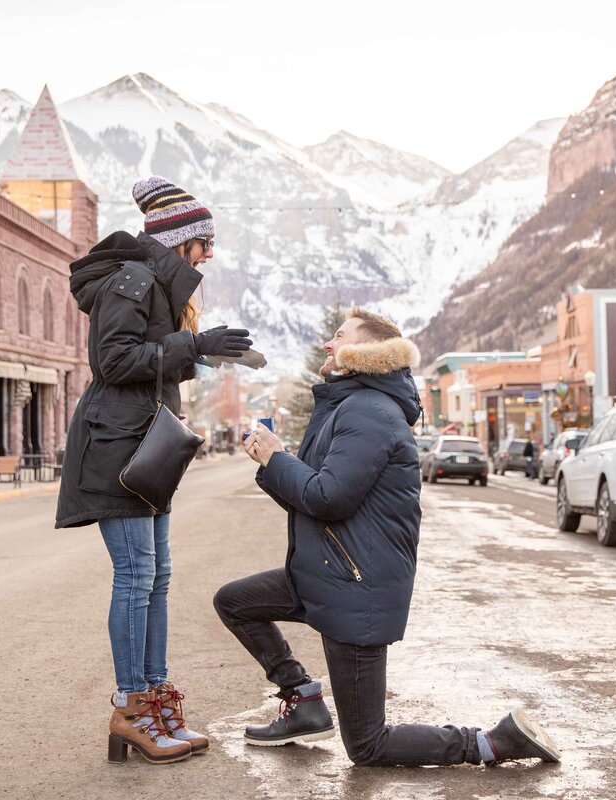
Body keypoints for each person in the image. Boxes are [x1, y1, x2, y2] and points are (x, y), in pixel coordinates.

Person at [214, 308, 561, 767]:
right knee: (234, 602)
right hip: (326, 574)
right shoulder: (350, 406)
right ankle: (304, 700)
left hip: (358, 589)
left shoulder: (369, 412)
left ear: (367, 353)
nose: (327, 344)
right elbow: (314, 503)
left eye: (339, 336)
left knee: (368, 746)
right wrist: (273, 464)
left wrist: (277, 459)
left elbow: (328, 497)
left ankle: (493, 742)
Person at [57, 176, 253, 766]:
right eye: (204, 241)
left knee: (158, 575)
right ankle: (131, 707)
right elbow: (113, 362)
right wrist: (192, 346)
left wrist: (202, 350)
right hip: (118, 449)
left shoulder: (157, 285)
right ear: (179, 240)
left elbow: (153, 365)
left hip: (146, 446)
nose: (210, 254)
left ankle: (157, 699)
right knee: (137, 575)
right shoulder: (133, 279)